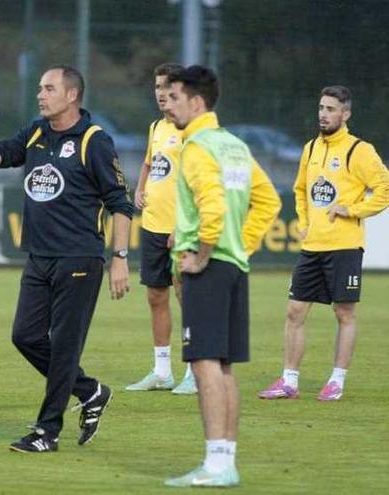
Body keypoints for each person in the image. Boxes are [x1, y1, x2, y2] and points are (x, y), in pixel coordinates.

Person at [0, 65, 133, 453]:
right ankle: (90, 391)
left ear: (72, 95)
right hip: (39, 256)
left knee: (65, 348)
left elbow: (120, 203)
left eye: (49, 88)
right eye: (39, 88)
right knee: (25, 336)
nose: (40, 94)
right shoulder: (36, 131)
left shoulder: (94, 140)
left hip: (80, 258)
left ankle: (46, 432)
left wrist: (119, 257)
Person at [162, 66, 280, 488]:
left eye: (174, 96)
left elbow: (211, 205)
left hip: (209, 268)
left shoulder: (196, 147)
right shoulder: (234, 145)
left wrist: (204, 251)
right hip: (233, 266)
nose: (168, 103)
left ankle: (215, 465)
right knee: (224, 367)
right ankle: (224, 461)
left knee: (204, 365)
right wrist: (240, 244)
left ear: (196, 102)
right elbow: (267, 201)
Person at [258, 86, 389, 402]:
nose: (323, 114)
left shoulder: (360, 151)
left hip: (344, 246)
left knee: (344, 313)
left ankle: (337, 381)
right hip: (313, 246)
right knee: (294, 311)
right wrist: (304, 223)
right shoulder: (311, 149)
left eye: (331, 109)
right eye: (321, 107)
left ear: (346, 114)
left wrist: (353, 210)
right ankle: (289, 380)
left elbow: (384, 188)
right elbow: (301, 190)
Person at [125, 62, 198, 395]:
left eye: (167, 88)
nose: (160, 94)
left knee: (189, 298)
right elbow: (149, 162)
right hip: (153, 224)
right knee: (156, 296)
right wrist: (139, 188)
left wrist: (184, 226)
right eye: (156, 88)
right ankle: (162, 371)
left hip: (181, 229)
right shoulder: (156, 127)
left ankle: (196, 372)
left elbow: (201, 182)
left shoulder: (193, 129)